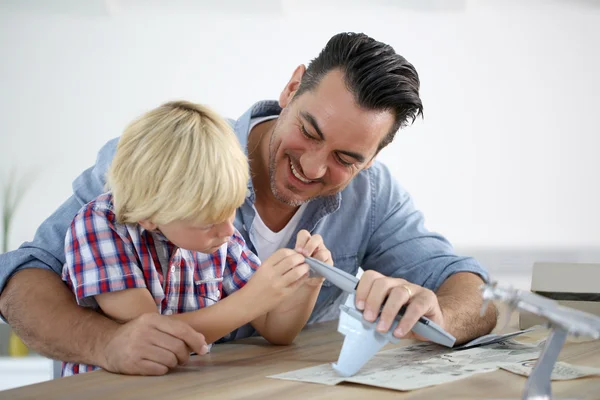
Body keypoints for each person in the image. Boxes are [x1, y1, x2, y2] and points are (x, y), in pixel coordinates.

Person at [0, 32, 497, 376]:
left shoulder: (373, 195)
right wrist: (103, 344)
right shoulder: (162, 160)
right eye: (309, 130)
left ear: (372, 158)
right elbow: (24, 277)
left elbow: (474, 292)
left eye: (347, 158)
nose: (315, 167)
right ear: (290, 87)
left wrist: (437, 314)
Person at [59, 101, 329, 376]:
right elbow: (152, 338)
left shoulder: (220, 238)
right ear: (150, 215)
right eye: (209, 221)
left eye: (232, 209)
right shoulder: (100, 225)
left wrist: (307, 283)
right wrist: (252, 299)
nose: (227, 230)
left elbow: (277, 330)